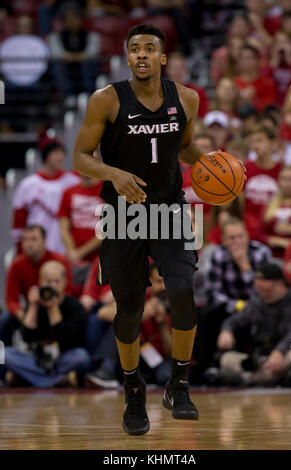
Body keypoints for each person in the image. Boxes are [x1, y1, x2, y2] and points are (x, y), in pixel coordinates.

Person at [73, 23, 209, 435]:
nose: (142, 55)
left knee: (183, 290)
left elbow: (183, 147)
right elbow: (80, 157)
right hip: (123, 215)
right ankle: (134, 388)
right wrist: (114, 173)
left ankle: (178, 384)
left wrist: (212, 164)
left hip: (168, 208)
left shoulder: (187, 98)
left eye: (150, 48)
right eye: (135, 49)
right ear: (128, 58)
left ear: (162, 57)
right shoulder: (106, 100)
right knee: (129, 310)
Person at [196, 218, 271, 378]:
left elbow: (265, 293)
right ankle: (206, 366)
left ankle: (257, 362)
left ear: (248, 236)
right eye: (231, 238)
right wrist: (236, 305)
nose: (237, 241)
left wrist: (245, 267)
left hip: (258, 307)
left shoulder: (261, 253)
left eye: (240, 236)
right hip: (230, 307)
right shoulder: (218, 255)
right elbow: (212, 293)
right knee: (206, 313)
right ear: (223, 240)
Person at [4, 261, 91, 388]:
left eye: (57, 281)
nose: (52, 286)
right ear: (40, 282)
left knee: (81, 357)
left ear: (65, 281)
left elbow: (67, 341)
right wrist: (33, 306)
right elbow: (26, 337)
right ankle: (56, 380)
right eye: (48, 281)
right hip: (36, 359)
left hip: (62, 359)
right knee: (5, 354)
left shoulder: (75, 306)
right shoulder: (34, 303)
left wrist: (53, 308)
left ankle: (31, 379)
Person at [217, 263, 291, 387]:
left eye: (267, 291)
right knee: (227, 359)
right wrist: (226, 331)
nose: (263, 294)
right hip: (261, 360)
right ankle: (263, 378)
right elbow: (233, 321)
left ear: (281, 285)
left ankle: (248, 380)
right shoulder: (257, 303)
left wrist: (279, 351)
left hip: (285, 355)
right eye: (259, 290)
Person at [2, 225, 72, 346]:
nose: (29, 244)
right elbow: (11, 299)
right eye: (25, 239)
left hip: (56, 307)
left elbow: (68, 292)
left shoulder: (60, 260)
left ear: (44, 241)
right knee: (4, 321)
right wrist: (23, 315)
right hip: (31, 307)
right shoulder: (17, 264)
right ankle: (5, 358)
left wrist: (54, 304)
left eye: (33, 239)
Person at [12, 139, 80, 254]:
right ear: (46, 156)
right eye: (56, 153)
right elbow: (19, 221)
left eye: (62, 153)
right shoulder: (28, 184)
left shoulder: (74, 181)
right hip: (36, 250)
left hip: (66, 249)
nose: (60, 157)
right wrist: (20, 249)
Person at [48, 6, 101, 105]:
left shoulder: (91, 35)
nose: (72, 22)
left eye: (75, 19)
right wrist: (70, 57)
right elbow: (55, 53)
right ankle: (69, 96)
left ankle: (88, 94)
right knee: (58, 65)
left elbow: (93, 52)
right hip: (66, 66)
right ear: (63, 22)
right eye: (69, 19)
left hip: (84, 64)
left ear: (81, 20)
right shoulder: (55, 36)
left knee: (88, 63)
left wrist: (79, 57)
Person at [244, 125, 283, 238]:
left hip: (274, 229)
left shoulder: (283, 171)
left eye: (259, 140)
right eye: (252, 142)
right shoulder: (243, 169)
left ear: (273, 143)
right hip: (248, 231)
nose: (255, 146)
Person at [256, 166, 291, 259]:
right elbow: (258, 233)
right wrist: (273, 240)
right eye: (284, 179)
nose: (287, 183)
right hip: (271, 256)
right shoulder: (269, 205)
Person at [166, 52, 209, 118]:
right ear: (167, 70)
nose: (178, 72)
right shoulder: (159, 93)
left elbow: (204, 118)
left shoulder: (198, 92)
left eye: (181, 68)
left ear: (187, 70)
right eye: (175, 68)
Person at [234, 45, 277, 112]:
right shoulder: (233, 84)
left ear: (257, 60)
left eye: (250, 58)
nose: (247, 61)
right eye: (243, 58)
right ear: (239, 61)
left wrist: (253, 100)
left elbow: (269, 108)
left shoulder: (267, 83)